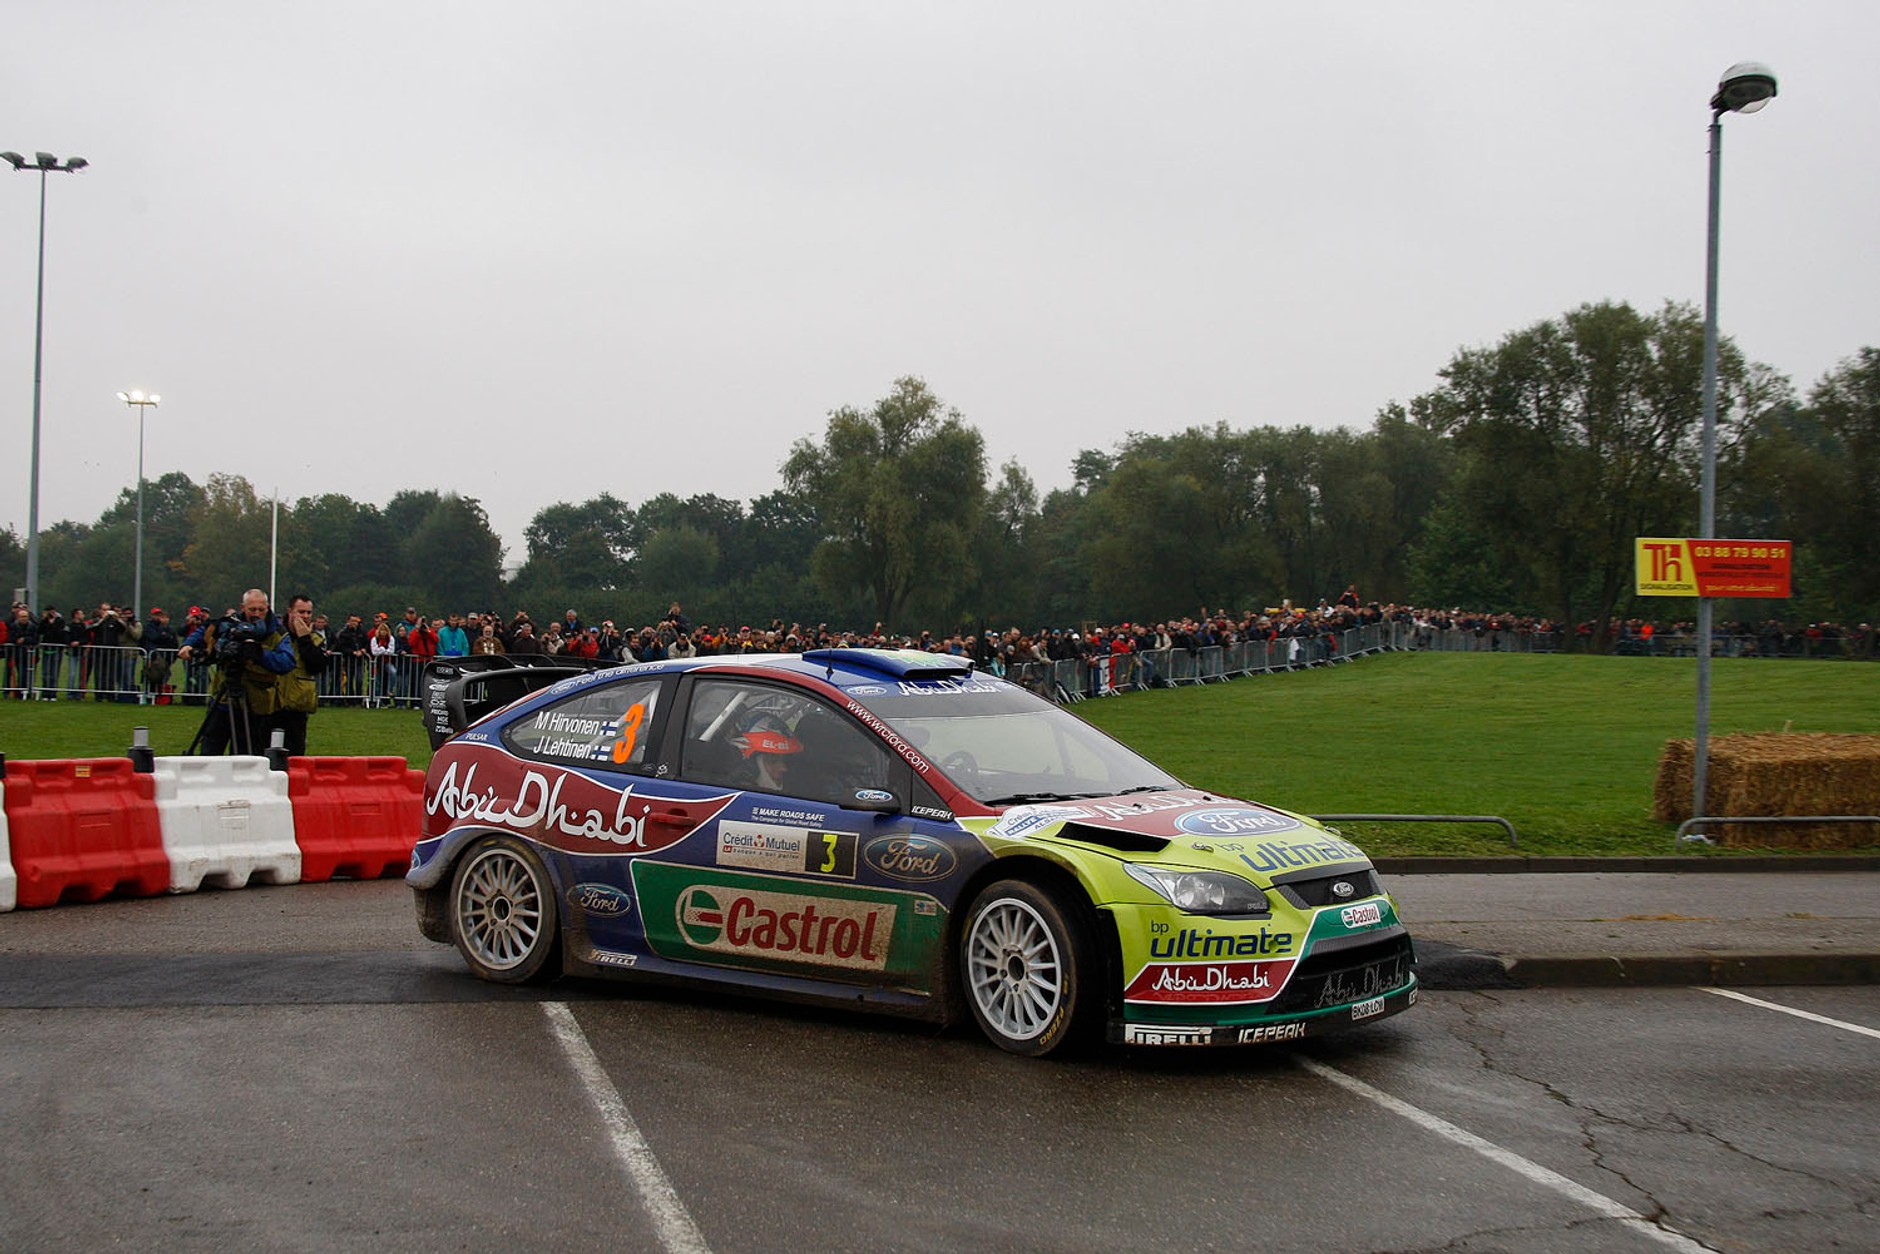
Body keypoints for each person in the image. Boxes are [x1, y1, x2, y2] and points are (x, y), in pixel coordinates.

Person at [175, 588, 296, 754]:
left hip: (256, 703)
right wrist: (188, 645)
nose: (257, 614)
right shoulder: (229, 623)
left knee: (246, 756)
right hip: (223, 698)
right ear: (242, 607)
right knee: (210, 750)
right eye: (252, 609)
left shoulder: (277, 632)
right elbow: (205, 630)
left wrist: (259, 654)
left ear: (268, 608)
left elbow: (287, 663)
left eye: (261, 609)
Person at [268, 593, 328, 755]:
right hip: (272, 703)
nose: (305, 616)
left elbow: (317, 666)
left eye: (309, 612)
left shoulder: (315, 639)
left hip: (297, 705)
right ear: (290, 611)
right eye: (301, 612)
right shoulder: (276, 635)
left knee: (295, 754)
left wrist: (304, 639)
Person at [140, 606, 179, 704]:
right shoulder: (149, 626)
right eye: (156, 615)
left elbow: (173, 641)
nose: (158, 617)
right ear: (151, 615)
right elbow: (154, 637)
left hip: (166, 656)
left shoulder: (167, 628)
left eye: (159, 615)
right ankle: (149, 695)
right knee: (152, 676)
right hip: (153, 655)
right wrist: (164, 636)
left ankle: (159, 697)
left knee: (163, 675)